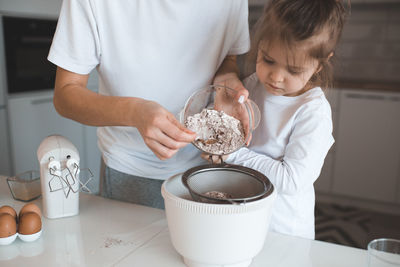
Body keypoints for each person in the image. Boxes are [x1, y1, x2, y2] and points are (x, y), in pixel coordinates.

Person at [48, 0, 250, 209]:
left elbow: (228, 58)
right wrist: (135, 112)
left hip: (206, 168)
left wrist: (226, 82)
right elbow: (65, 95)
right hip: (128, 170)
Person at [207, 0, 348, 239]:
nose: (276, 77)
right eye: (268, 60)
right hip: (240, 218)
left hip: (282, 231)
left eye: (293, 70)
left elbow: (292, 180)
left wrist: (231, 153)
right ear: (260, 45)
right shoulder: (252, 84)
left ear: (318, 65)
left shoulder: (312, 112)